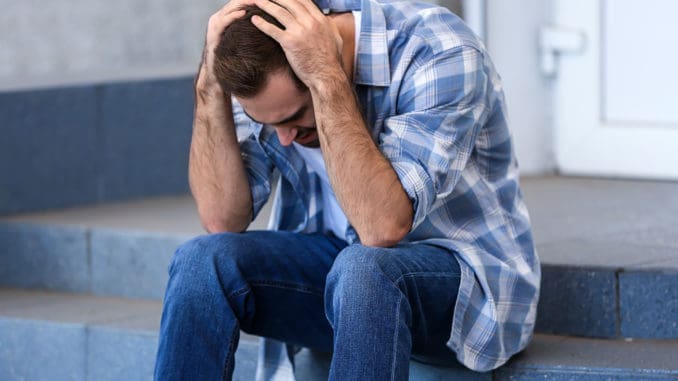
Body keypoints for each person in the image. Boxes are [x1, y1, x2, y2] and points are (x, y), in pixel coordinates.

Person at [154, 0, 540, 379]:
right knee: (201, 261)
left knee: (364, 269)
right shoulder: (268, 69)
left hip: (462, 288)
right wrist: (209, 88)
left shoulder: (436, 49)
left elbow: (382, 228)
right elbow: (221, 218)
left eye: (294, 119)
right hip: (339, 276)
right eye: (270, 125)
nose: (284, 139)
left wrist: (326, 78)